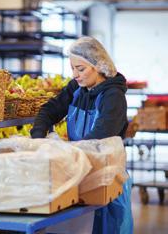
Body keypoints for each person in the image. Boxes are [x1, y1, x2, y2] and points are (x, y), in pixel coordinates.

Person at [30, 36, 133, 234]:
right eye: (73, 68)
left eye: (81, 69)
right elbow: (49, 110)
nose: (75, 75)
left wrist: (66, 156)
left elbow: (100, 136)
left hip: (105, 180)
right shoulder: (77, 88)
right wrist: (38, 138)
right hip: (77, 173)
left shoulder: (113, 96)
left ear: (98, 65)